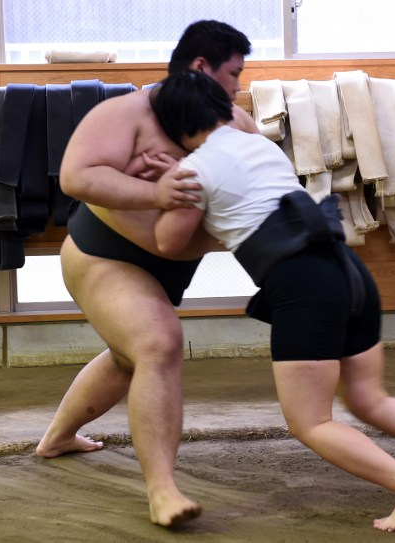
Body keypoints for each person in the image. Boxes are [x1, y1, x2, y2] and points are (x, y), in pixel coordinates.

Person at [148, 70, 395, 532]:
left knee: (310, 421)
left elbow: (168, 243)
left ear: (174, 127)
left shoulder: (194, 169)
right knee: (370, 398)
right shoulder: (262, 147)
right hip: (347, 270)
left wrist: (162, 185)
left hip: (302, 283)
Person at [35, 21, 259, 527]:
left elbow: (258, 189)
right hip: (103, 255)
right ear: (202, 67)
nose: (239, 86)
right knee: (157, 343)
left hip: (173, 264)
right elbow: (78, 177)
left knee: (128, 356)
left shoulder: (239, 124)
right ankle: (163, 492)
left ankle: (57, 439)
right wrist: (155, 193)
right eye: (234, 74)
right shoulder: (126, 112)